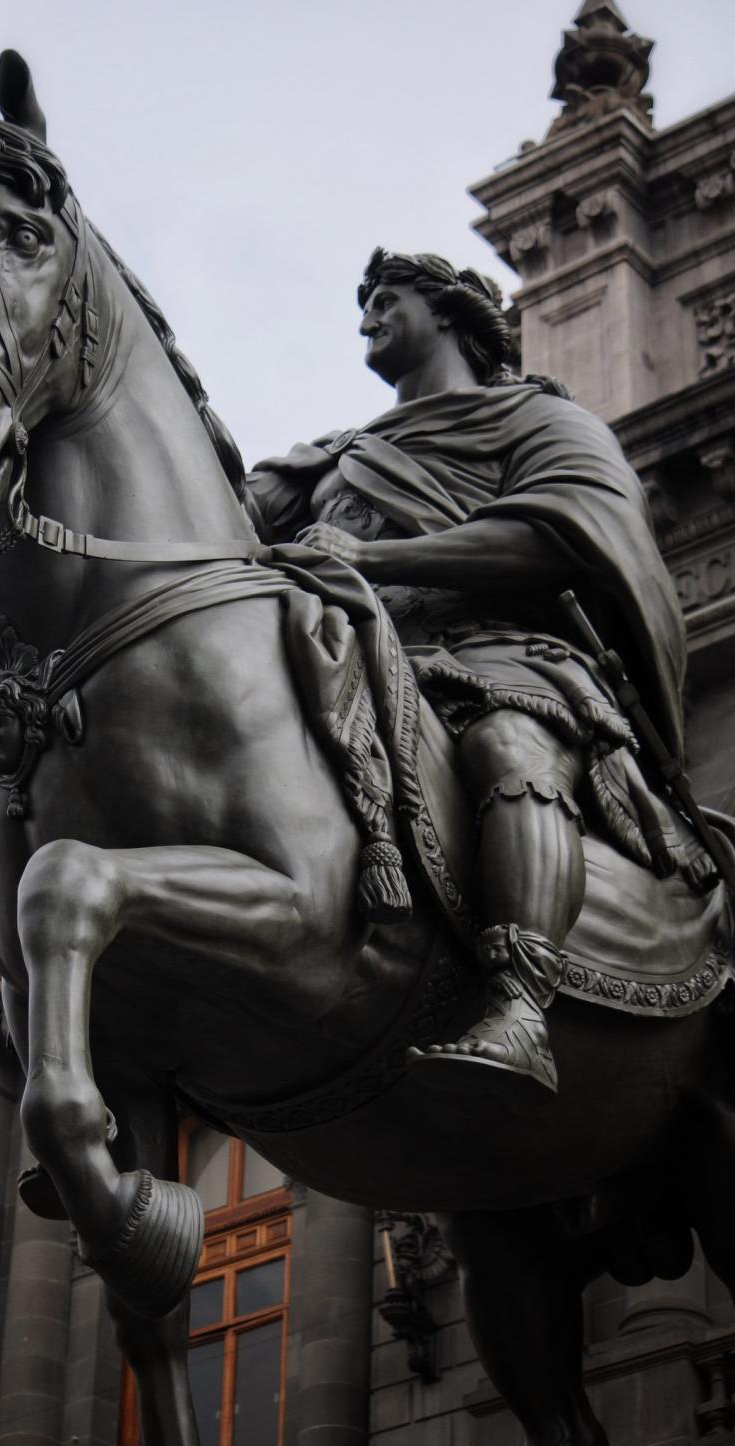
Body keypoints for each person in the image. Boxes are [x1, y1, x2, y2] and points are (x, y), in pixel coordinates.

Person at [246, 250, 694, 1092]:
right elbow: (213, 523)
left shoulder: (541, 422)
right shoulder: (331, 458)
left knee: (509, 747)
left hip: (504, 656)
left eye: (386, 300)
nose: (367, 318)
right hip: (355, 663)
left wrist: (372, 556)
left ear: (448, 313)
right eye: (364, 303)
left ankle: (522, 1008)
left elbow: (562, 538)